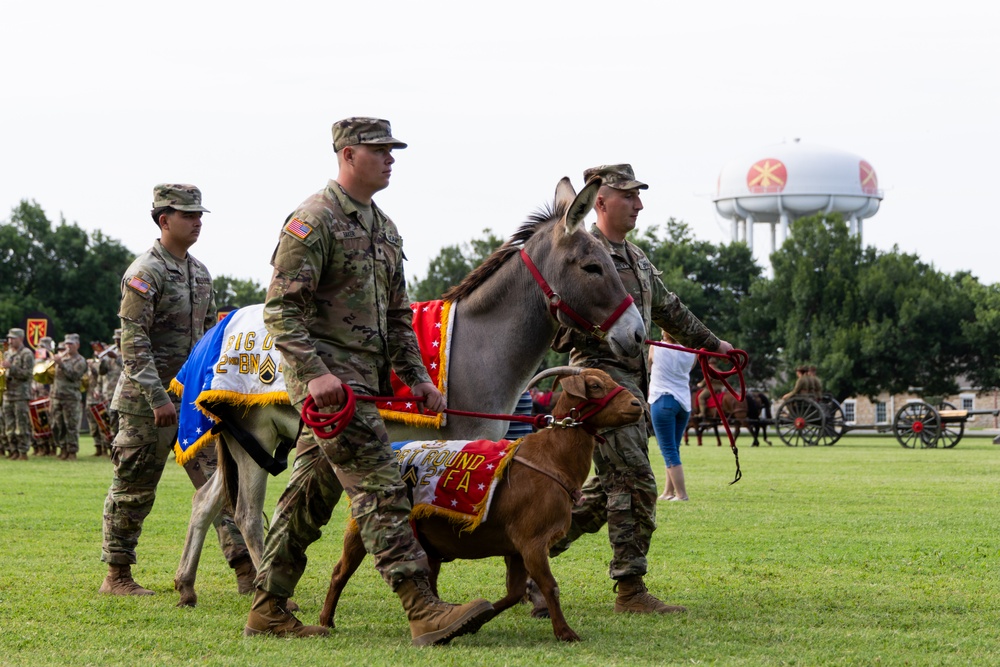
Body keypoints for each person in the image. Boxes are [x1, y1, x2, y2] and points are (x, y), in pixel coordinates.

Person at [245, 117, 494, 644]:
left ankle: (267, 607)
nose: (391, 158)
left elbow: (399, 319)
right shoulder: (314, 220)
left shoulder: (385, 228)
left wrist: (418, 379)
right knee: (380, 485)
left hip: (362, 381)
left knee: (307, 498)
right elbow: (281, 312)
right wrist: (314, 375)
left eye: (392, 150)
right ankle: (421, 608)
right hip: (330, 387)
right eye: (380, 149)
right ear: (348, 154)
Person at [548, 164, 733, 614]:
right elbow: (555, 314)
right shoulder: (578, 253)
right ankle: (630, 589)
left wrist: (714, 345)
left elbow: (670, 309)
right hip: (598, 383)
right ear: (601, 201)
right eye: (628, 196)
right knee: (636, 481)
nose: (639, 204)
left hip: (632, 385)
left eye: (639, 195)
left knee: (604, 493)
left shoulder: (636, 257)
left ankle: (530, 550)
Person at [100, 184, 254, 597]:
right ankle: (117, 577)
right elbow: (133, 343)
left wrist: (213, 393)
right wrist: (156, 399)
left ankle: (246, 571)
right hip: (145, 405)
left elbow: (208, 340)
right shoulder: (144, 273)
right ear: (163, 220)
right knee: (133, 487)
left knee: (222, 485)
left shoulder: (200, 273)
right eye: (188, 215)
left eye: (199, 214)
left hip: (191, 404)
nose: (197, 221)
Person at [648, 332, 694, 501]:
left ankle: (681, 494)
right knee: (674, 448)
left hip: (662, 400)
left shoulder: (656, 347)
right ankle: (669, 492)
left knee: (668, 450)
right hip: (683, 403)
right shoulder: (691, 351)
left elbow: (647, 365)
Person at [50, 334, 87, 460]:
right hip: (57, 396)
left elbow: (75, 376)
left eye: (71, 344)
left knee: (71, 425)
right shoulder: (62, 359)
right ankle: (63, 448)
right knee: (58, 425)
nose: (68, 346)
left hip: (71, 397)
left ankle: (72, 451)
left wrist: (61, 364)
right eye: (66, 344)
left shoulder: (80, 360)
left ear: (77, 345)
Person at [2, 328, 36, 460]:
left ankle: (22, 451)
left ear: (21, 339)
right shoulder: (7, 353)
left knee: (21, 425)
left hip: (21, 395)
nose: (10, 341)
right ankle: (13, 450)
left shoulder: (26, 354)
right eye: (9, 338)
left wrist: (12, 368)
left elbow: (27, 374)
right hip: (8, 394)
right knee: (9, 425)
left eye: (13, 338)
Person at [99, 329, 124, 444]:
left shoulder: (127, 353)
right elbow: (102, 372)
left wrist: (116, 357)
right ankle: (114, 444)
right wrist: (102, 361)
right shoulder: (109, 356)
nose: (117, 342)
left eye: (119, 339)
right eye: (115, 340)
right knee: (112, 419)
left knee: (124, 422)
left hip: (124, 393)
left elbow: (130, 367)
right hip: (110, 393)